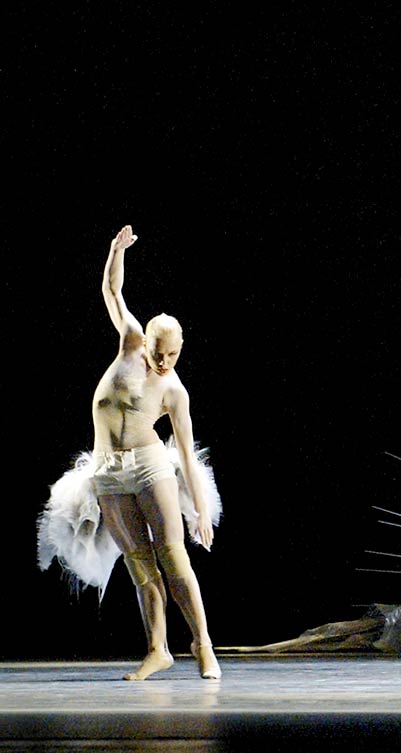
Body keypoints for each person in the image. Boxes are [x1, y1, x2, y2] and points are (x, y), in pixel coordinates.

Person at [38, 225, 222, 680]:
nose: (164, 363)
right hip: (106, 470)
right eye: (160, 353)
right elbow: (111, 289)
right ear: (146, 343)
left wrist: (200, 510)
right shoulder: (131, 343)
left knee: (173, 557)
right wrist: (116, 250)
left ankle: (203, 645)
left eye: (173, 355)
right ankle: (157, 650)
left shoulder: (174, 391)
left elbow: (186, 450)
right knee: (140, 564)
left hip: (149, 467)